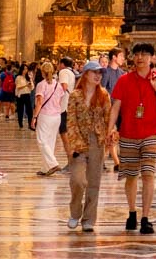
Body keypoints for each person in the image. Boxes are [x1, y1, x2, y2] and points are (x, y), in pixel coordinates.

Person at [108, 43, 156, 235]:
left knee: (148, 174)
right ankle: (132, 212)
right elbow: (116, 106)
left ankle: (145, 217)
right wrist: (110, 128)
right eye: (136, 54)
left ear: (152, 57)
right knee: (131, 175)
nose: (140, 57)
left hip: (151, 133)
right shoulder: (124, 80)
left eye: (144, 54)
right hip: (128, 133)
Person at [67, 60, 112, 232]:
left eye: (100, 73)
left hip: (97, 142)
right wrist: (74, 144)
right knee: (77, 180)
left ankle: (89, 219)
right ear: (85, 74)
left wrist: (110, 134)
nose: (98, 76)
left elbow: (108, 117)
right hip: (79, 142)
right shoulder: (75, 95)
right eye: (94, 72)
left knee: (94, 182)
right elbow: (71, 121)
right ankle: (75, 213)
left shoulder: (104, 95)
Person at [33, 59, 67, 174]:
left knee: (42, 140)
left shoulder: (41, 85)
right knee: (50, 142)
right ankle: (46, 168)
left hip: (45, 115)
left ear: (42, 72)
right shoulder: (58, 85)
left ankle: (53, 163)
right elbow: (60, 100)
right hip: (56, 116)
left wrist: (34, 117)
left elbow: (39, 102)